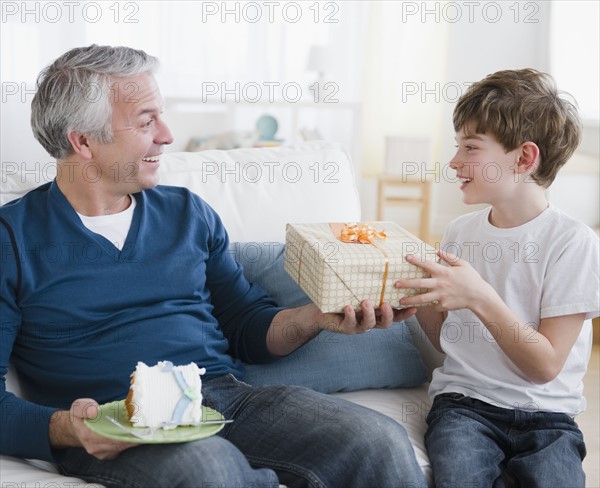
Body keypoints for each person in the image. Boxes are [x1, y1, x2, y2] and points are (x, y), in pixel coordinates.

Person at [0, 45, 426, 488]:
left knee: (377, 439)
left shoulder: (187, 213)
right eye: (146, 121)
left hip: (223, 399)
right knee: (209, 468)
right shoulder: (12, 237)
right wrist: (68, 428)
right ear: (82, 141)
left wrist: (315, 317)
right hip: (120, 426)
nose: (166, 134)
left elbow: (246, 328)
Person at [396, 68, 599, 487]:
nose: (454, 162)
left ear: (524, 158)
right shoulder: (460, 233)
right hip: (464, 407)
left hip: (548, 418)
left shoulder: (572, 242)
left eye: (470, 147)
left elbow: (544, 366)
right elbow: (448, 340)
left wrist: (479, 296)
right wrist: (417, 302)